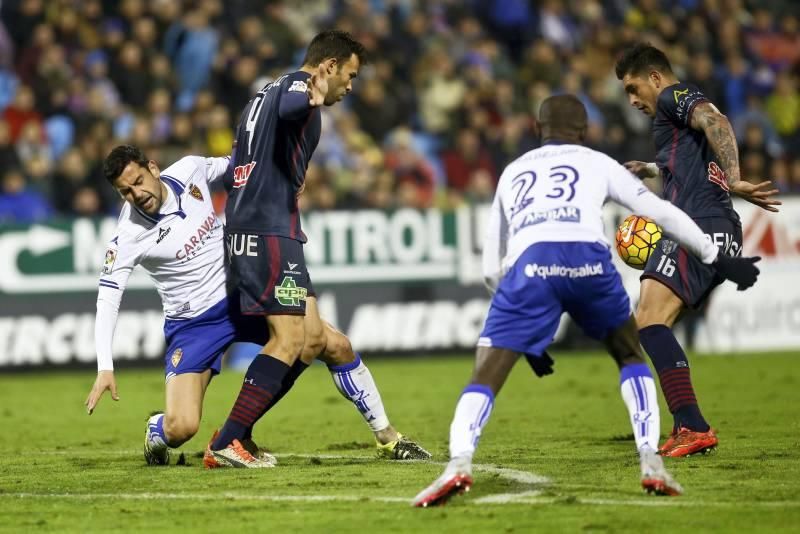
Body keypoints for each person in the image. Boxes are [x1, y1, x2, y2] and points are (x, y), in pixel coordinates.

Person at [412, 95, 761, 507]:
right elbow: (660, 211)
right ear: (584, 131)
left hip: (530, 268)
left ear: (538, 129)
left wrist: (525, 335)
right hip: (589, 262)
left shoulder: (512, 172)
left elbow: (491, 266)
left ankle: (458, 464)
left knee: (484, 373)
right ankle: (651, 462)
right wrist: (715, 255)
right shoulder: (598, 162)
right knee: (630, 353)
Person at [205, 30, 429, 467]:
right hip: (267, 230)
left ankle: (387, 437)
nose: (350, 86)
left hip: (271, 226)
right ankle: (227, 440)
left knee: (319, 341)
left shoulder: (260, 96)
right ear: (327, 67)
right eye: (349, 74)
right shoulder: (294, 87)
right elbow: (294, 104)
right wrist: (310, 96)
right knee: (289, 339)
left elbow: (248, 157)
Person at [615, 43, 780, 457]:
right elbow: (692, 154)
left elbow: (716, 122)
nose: (632, 100)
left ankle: (693, 424)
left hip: (698, 225)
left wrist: (735, 177)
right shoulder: (672, 116)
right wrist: (652, 168)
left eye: (634, 88)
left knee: (649, 319)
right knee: (652, 321)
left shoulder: (674, 95)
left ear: (655, 77)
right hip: (710, 225)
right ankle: (686, 423)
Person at [85, 144, 274, 468]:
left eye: (139, 180)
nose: (137, 193)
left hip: (239, 299)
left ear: (153, 168)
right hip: (193, 326)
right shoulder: (127, 236)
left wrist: (277, 172)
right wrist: (105, 366)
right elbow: (107, 298)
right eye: (126, 191)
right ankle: (156, 429)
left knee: (312, 341)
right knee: (181, 427)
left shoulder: (190, 170)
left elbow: (237, 167)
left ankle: (385, 435)